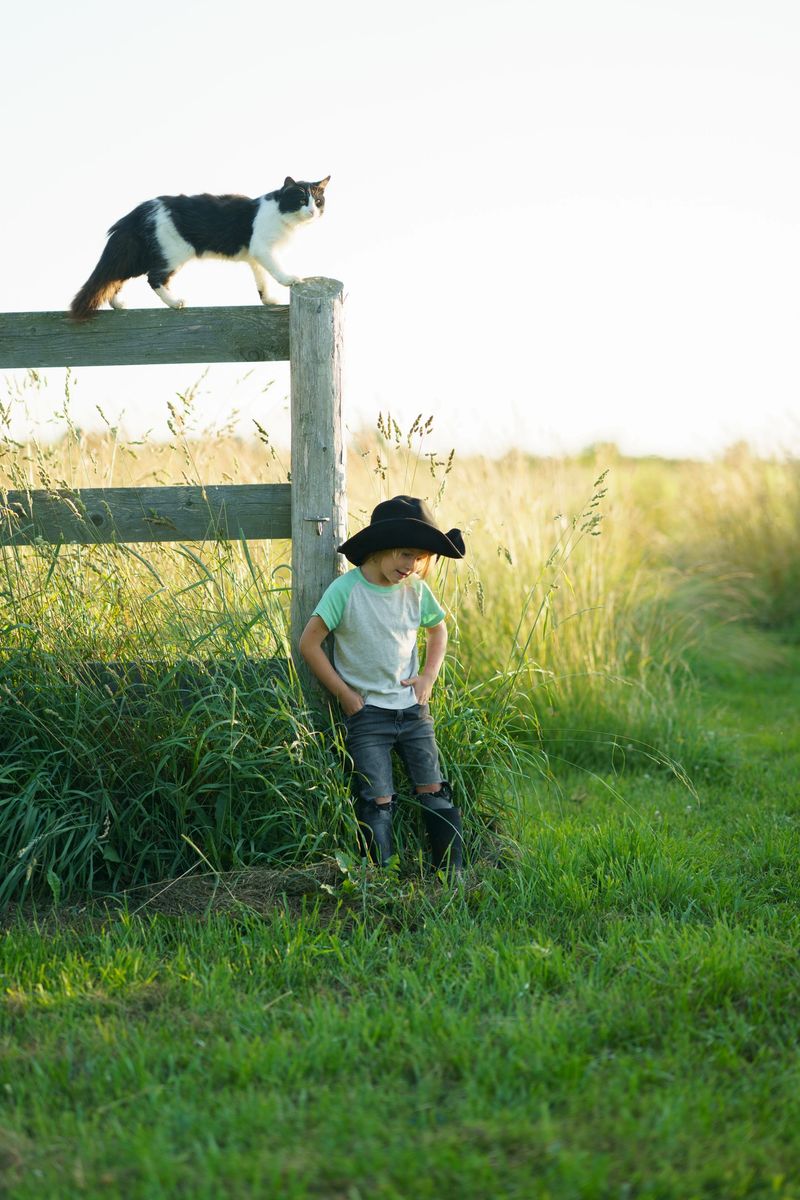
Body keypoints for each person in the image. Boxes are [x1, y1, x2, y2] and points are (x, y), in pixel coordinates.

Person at [298, 495, 466, 876]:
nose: (411, 566)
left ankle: (451, 874)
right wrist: (343, 693)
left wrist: (428, 676)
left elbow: (439, 631)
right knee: (377, 799)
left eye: (420, 558)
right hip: (367, 713)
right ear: (380, 547)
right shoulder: (346, 590)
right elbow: (309, 643)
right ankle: (382, 874)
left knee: (433, 787)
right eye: (405, 554)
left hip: (412, 710)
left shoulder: (416, 593)